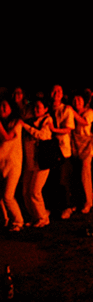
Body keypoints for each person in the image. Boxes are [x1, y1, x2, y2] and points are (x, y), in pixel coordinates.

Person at [21, 98, 53, 227]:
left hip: (42, 161)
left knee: (35, 191)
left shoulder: (47, 120)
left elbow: (43, 135)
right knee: (26, 191)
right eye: (34, 107)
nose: (35, 109)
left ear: (45, 109)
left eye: (39, 107)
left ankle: (43, 217)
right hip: (30, 161)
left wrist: (26, 127)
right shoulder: (31, 120)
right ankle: (35, 216)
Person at [49, 85, 76, 220]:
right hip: (49, 149)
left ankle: (67, 206)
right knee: (52, 180)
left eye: (59, 91)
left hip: (63, 149)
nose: (57, 93)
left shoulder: (66, 109)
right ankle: (54, 206)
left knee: (63, 180)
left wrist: (53, 130)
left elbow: (68, 129)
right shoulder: (47, 108)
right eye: (54, 90)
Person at [0, 99, 24, 231]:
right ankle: (5, 219)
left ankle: (18, 221)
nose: (2, 109)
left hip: (14, 164)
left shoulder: (17, 123)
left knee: (8, 196)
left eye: (5, 106)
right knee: (1, 196)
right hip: (2, 164)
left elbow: (7, 138)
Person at [71, 95, 93, 214]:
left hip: (86, 146)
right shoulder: (72, 112)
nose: (77, 101)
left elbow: (85, 122)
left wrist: (72, 112)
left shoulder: (89, 112)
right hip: (75, 145)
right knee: (76, 175)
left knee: (85, 174)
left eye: (79, 99)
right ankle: (81, 199)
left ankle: (88, 202)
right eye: (75, 100)